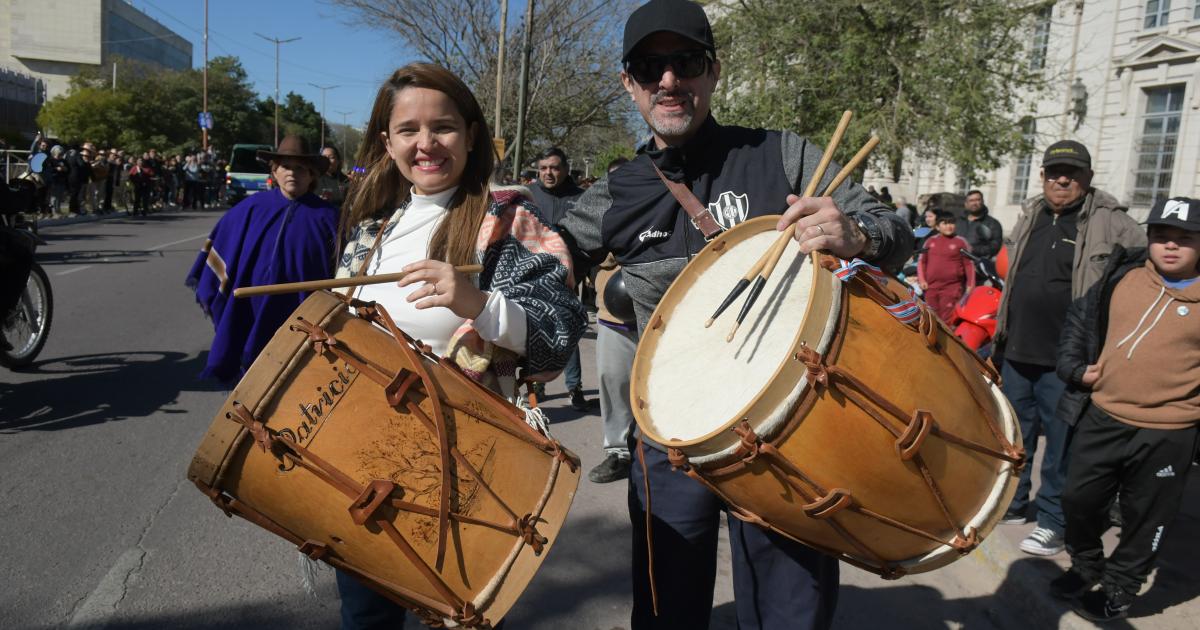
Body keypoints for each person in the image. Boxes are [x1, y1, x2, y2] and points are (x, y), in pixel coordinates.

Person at [556, 2, 912, 628]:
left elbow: (894, 229)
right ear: (629, 83)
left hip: (788, 434)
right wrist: (526, 258)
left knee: (790, 614)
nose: (669, 80)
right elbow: (551, 262)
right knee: (667, 613)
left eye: (686, 62)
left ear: (714, 72)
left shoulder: (783, 156)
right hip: (670, 442)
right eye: (650, 68)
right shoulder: (615, 192)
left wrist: (856, 233)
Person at [331, 63, 587, 630]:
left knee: (461, 617)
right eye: (408, 130)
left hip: (464, 466)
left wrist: (478, 304)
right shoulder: (373, 227)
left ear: (471, 136)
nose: (426, 144)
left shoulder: (507, 220)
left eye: (442, 127)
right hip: (363, 459)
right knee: (366, 615)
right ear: (387, 143)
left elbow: (560, 331)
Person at [994, 140, 1147, 556]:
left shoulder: (1115, 224)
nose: (1062, 180)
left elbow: (1142, 290)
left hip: (1069, 361)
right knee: (1014, 437)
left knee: (1062, 447)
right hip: (1018, 350)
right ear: (1042, 176)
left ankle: (1054, 522)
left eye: (1072, 173)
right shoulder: (1030, 214)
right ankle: (1013, 505)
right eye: (1054, 172)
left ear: (1088, 178)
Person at [1051, 196, 1200, 621]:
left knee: (1146, 516)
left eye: (1184, 238)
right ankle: (1086, 565)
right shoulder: (1124, 273)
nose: (1170, 245)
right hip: (1102, 414)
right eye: (1161, 235)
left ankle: (1120, 585)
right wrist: (1073, 367)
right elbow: (1079, 320)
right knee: (1077, 499)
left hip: (1169, 431)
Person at [185, 135, 339, 381]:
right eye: (286, 167)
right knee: (252, 377)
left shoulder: (329, 218)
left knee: (298, 378)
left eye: (300, 168)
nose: (292, 173)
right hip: (250, 309)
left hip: (304, 313)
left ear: (312, 175)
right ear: (275, 171)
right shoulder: (248, 209)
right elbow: (221, 250)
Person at [529, 146, 590, 409]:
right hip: (532, 277)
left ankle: (574, 388)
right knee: (534, 331)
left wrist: (580, 269)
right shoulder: (528, 195)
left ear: (565, 169)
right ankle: (536, 386)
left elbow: (591, 239)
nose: (548, 173)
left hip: (567, 278)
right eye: (543, 168)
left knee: (568, 333)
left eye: (554, 167)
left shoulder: (582, 198)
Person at [588, 156, 637, 484]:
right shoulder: (598, 213)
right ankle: (619, 452)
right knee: (614, 383)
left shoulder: (656, 205)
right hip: (612, 316)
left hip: (656, 316)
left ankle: (666, 454)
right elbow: (588, 252)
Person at [918, 212, 974, 323]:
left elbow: (969, 264)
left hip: (952, 288)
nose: (949, 226)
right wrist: (922, 280)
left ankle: (946, 334)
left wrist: (970, 285)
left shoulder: (961, 242)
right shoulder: (930, 241)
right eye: (945, 223)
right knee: (931, 316)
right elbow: (922, 261)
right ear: (937, 227)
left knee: (946, 318)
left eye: (951, 223)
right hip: (931, 287)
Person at [955, 189, 1003, 261]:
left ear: (982, 202)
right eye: (971, 200)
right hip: (955, 262)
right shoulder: (957, 221)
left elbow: (995, 246)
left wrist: (972, 249)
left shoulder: (993, 223)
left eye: (977, 200)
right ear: (966, 204)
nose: (974, 203)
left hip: (976, 264)